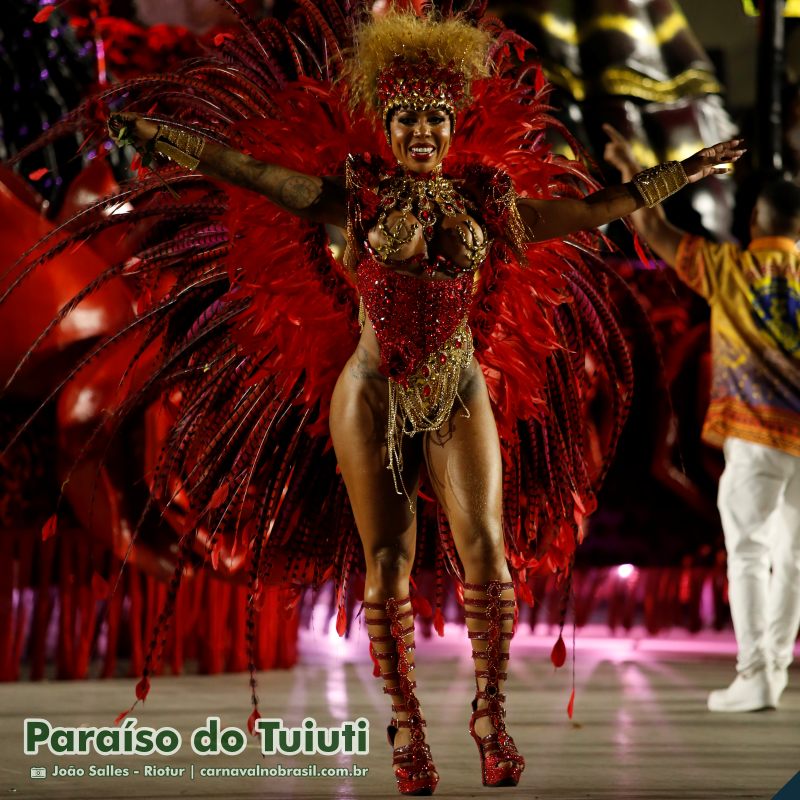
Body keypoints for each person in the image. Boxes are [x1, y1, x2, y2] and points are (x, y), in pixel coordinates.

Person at [15, 4, 740, 794]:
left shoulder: (488, 206)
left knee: (487, 553)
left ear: (454, 123)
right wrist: (172, 142)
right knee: (388, 559)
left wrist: (686, 170)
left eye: (435, 117)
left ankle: (491, 715)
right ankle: (406, 729)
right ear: (385, 127)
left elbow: (599, 209)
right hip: (368, 392)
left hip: (457, 383)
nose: (422, 132)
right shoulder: (354, 199)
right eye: (405, 118)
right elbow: (251, 173)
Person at [604, 123, 800, 714]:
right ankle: (775, 667)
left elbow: (654, 228)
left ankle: (756, 674)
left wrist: (630, 166)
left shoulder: (729, 269)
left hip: (752, 437)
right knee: (792, 554)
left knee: (746, 551)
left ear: (755, 223)